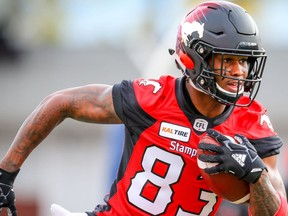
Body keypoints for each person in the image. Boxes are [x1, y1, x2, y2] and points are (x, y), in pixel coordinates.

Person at [0, 1, 287, 216]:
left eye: (245, 61)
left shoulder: (251, 122)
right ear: (196, 58)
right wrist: (5, 174)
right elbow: (61, 102)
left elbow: (277, 211)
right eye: (228, 60)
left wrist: (256, 175)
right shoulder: (151, 98)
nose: (240, 72)